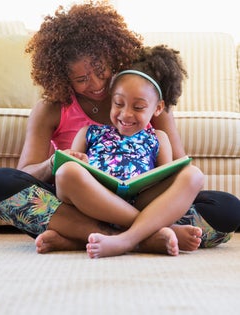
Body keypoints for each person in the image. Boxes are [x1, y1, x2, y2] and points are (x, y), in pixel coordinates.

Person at [0, 1, 239, 254]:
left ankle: (80, 236)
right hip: (81, 201)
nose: (97, 84)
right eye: (81, 79)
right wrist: (52, 164)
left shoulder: (143, 94)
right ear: (62, 76)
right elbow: (25, 175)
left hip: (142, 197)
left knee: (227, 210)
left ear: (113, 57)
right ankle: (142, 235)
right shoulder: (51, 108)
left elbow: (175, 169)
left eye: (101, 71)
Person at [55, 66, 204, 258]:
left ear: (158, 108)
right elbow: (73, 167)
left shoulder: (158, 138)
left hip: (140, 200)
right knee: (66, 172)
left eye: (138, 107)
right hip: (96, 201)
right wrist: (79, 160)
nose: (125, 114)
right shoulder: (88, 133)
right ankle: (151, 230)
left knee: (194, 175)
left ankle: (123, 240)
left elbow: (163, 182)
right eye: (118, 103)